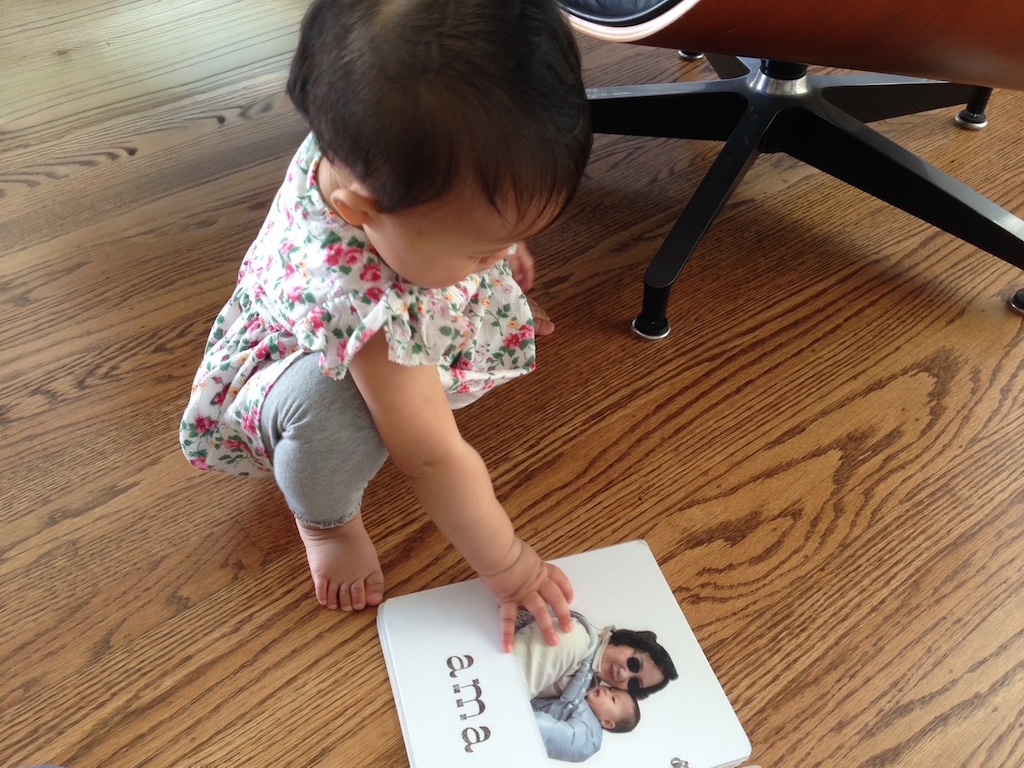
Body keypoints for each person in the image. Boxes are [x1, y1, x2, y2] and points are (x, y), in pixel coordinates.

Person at [179, 0, 592, 652]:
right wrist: (510, 565)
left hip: (408, 274)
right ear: (360, 209)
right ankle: (324, 521)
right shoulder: (368, 319)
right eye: (482, 249)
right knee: (341, 415)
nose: (502, 257)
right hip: (290, 367)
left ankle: (466, 279)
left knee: (455, 249)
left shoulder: (372, 148)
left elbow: (448, 223)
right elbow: (430, 457)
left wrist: (495, 249)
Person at [514, 612, 680, 700]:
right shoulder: (576, 640)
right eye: (634, 664)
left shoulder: (587, 682)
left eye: (635, 684)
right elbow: (509, 687)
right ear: (628, 641)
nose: (623, 674)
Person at [532, 683, 640, 762]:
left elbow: (554, 735)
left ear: (607, 722)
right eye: (611, 688)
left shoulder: (589, 736)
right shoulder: (584, 689)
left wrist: (528, 718)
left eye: (613, 699)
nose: (607, 691)